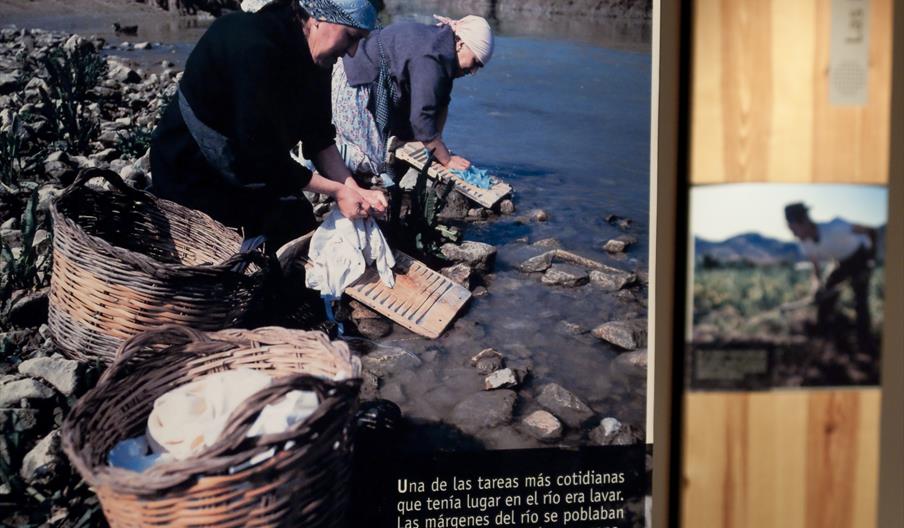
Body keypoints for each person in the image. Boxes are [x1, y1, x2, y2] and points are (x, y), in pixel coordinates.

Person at [150, 0, 388, 251]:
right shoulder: (255, 45)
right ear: (319, 17)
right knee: (271, 241)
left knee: (297, 224)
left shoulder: (317, 57)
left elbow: (318, 137)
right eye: (351, 37)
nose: (352, 52)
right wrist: (337, 192)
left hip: (247, 167)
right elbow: (262, 156)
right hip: (190, 169)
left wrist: (354, 190)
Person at [326, 15, 495, 179]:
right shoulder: (431, 57)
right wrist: (447, 160)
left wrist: (434, 145)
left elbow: (441, 104)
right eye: (475, 63)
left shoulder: (442, 48)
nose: (473, 72)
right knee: (374, 162)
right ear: (460, 44)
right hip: (355, 80)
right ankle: (315, 155)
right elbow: (422, 118)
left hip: (370, 77)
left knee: (403, 143)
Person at [784, 202, 878, 350]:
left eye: (793, 228)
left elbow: (871, 231)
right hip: (841, 262)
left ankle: (865, 344)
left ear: (804, 222)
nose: (793, 234)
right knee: (825, 299)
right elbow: (816, 270)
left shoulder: (836, 227)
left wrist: (871, 261)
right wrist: (816, 288)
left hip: (860, 257)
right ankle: (823, 338)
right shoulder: (805, 244)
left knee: (860, 301)